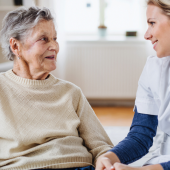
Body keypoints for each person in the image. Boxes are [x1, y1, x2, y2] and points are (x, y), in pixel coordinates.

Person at [0, 7, 113, 170]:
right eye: (44, 39)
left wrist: (106, 159)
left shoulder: (71, 92)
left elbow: (101, 146)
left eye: (55, 38)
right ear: (16, 46)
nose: (54, 46)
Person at [95, 0, 170, 170]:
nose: (146, 35)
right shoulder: (153, 68)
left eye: (152, 23)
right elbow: (141, 135)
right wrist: (110, 157)